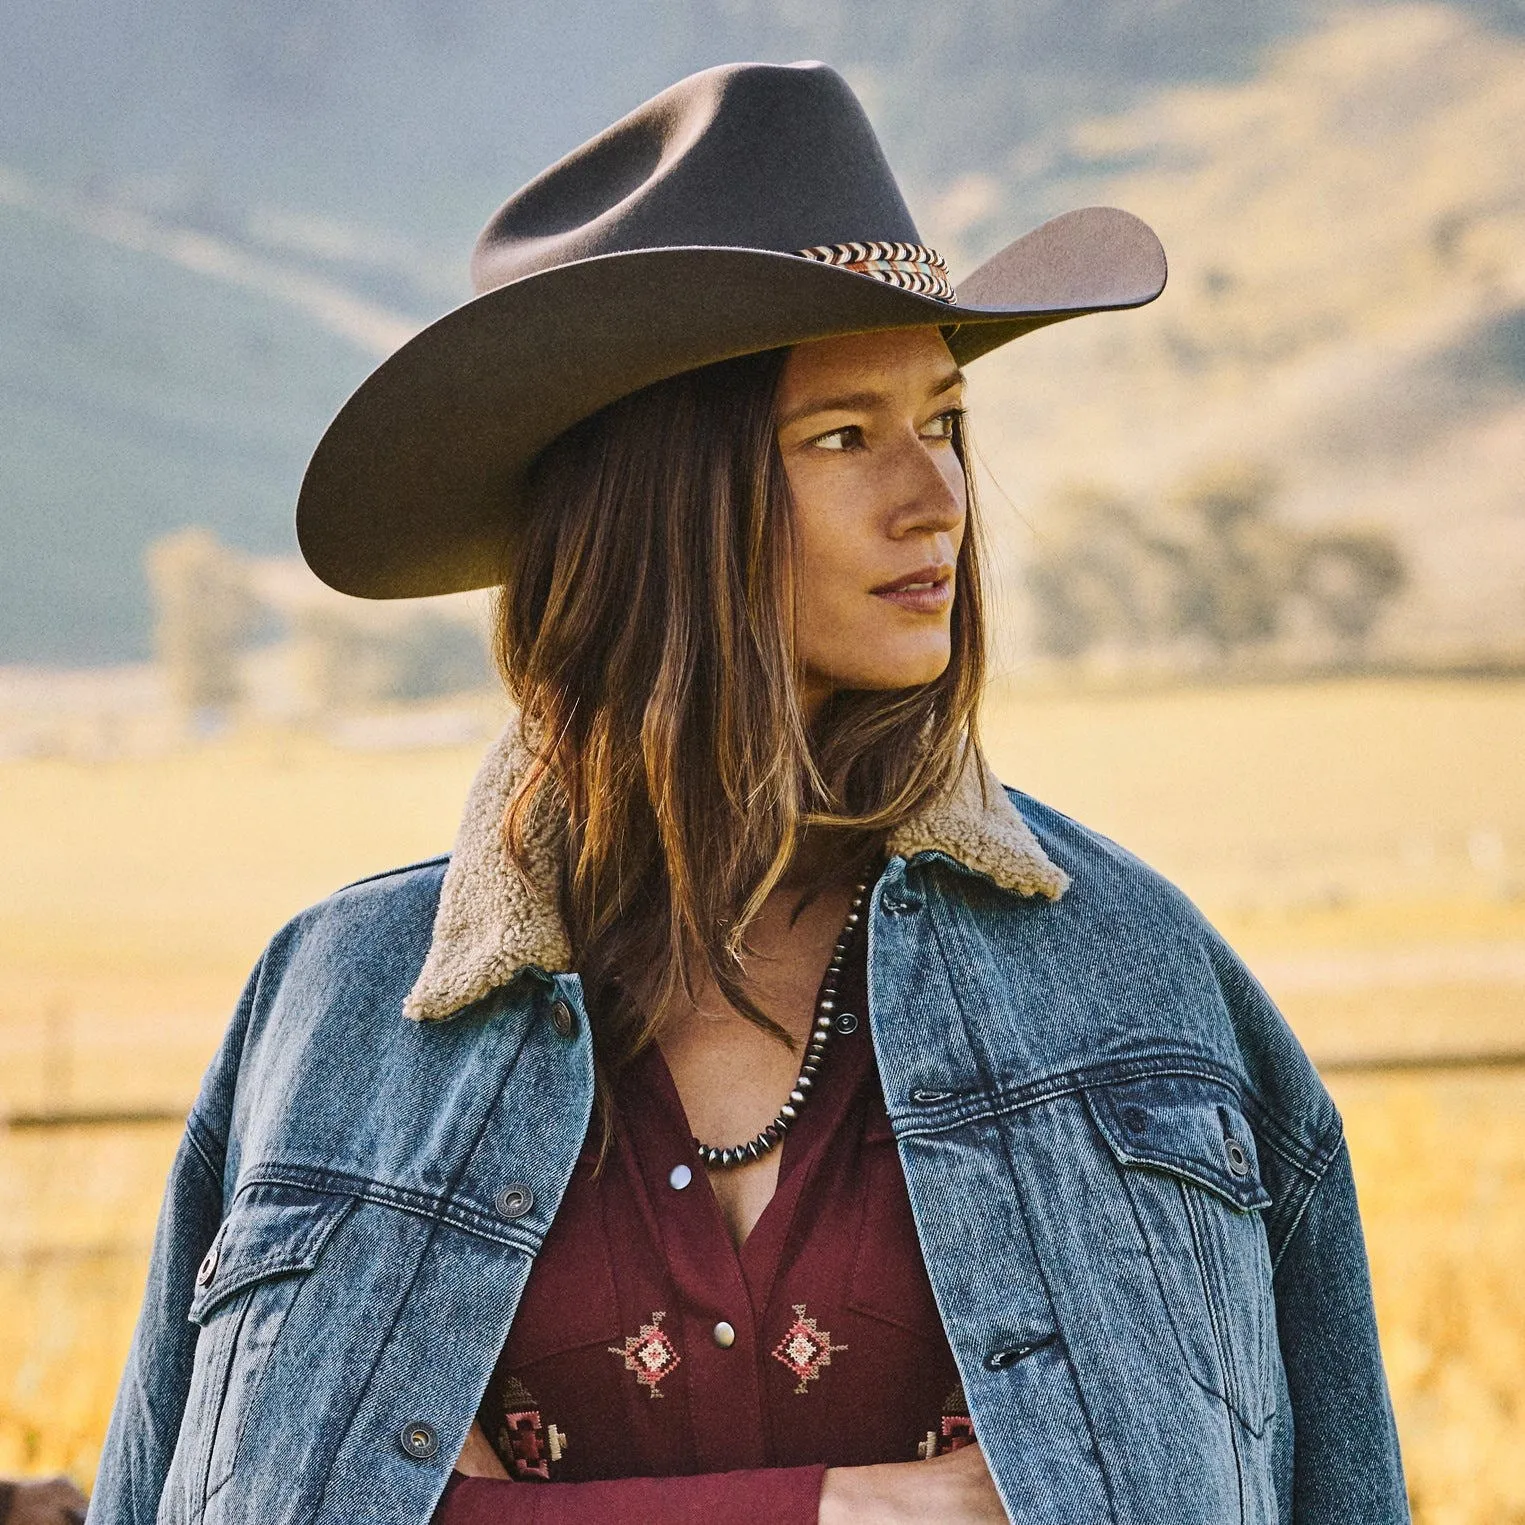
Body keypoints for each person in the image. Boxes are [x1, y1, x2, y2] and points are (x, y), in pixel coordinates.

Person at [90, 62, 1407, 1524]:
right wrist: (855, 1509)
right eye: (842, 437)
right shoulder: (332, 1011)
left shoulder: (1132, 975)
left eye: (947, 422)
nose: (939, 500)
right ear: (657, 508)